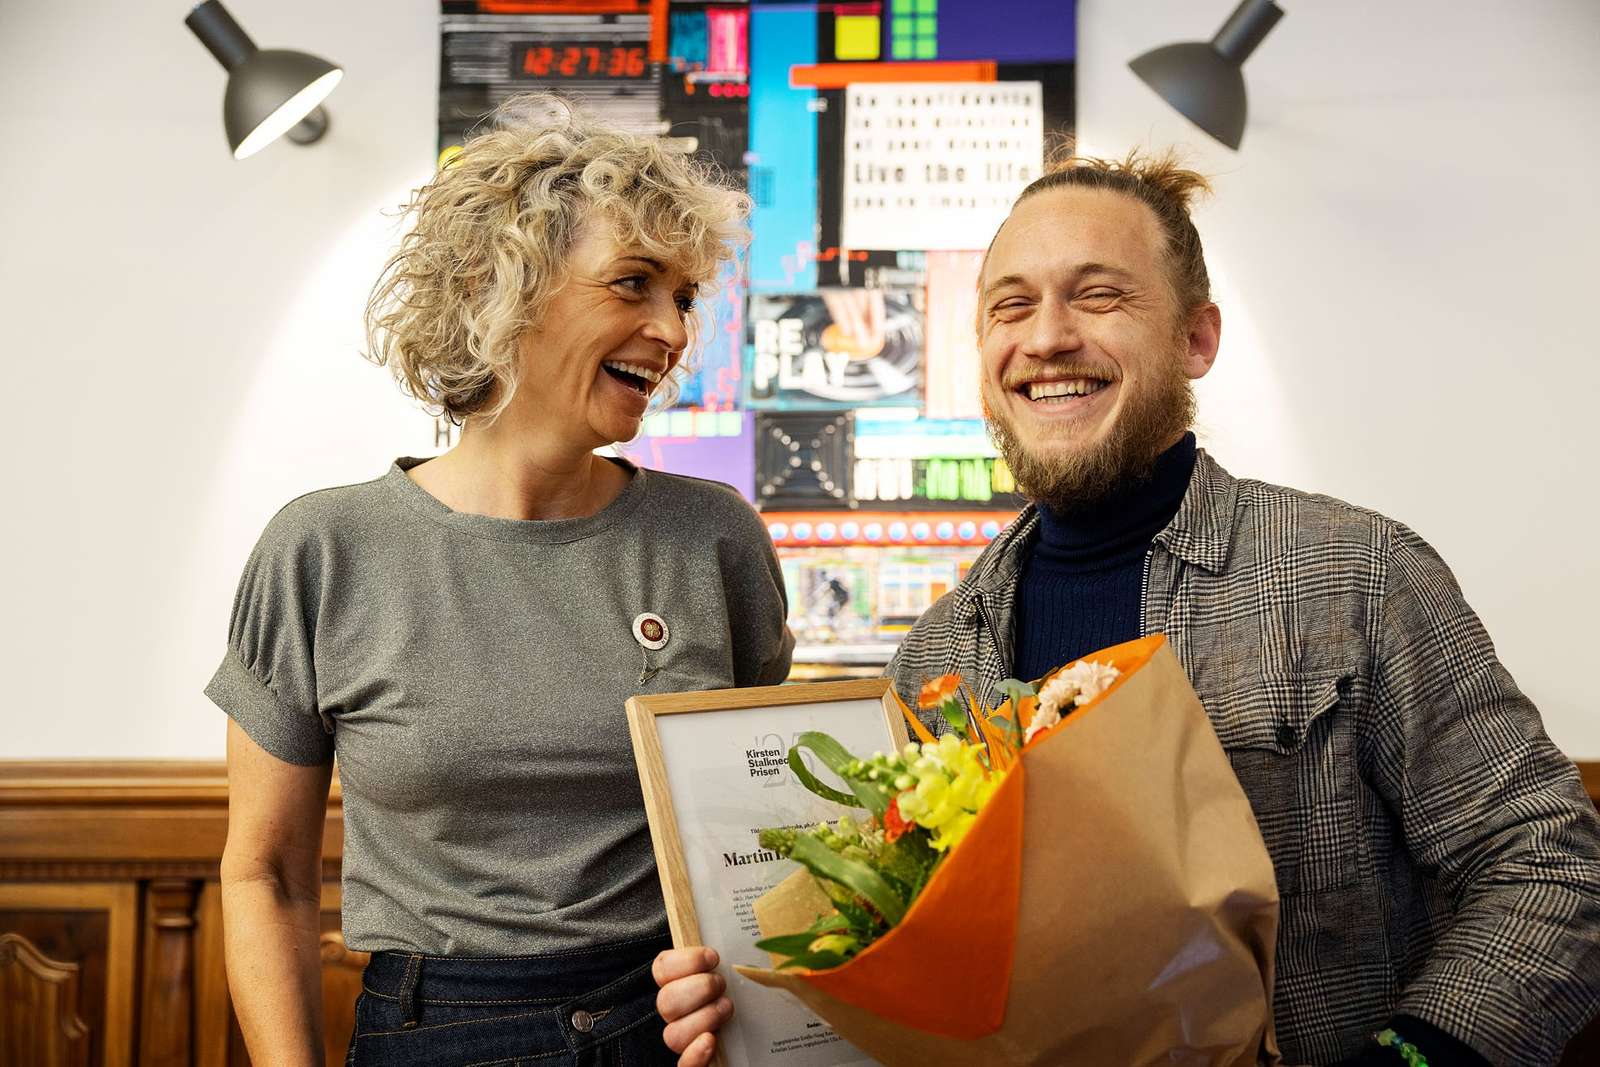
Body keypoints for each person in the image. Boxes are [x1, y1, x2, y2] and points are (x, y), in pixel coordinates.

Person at [653, 152, 1600, 1066]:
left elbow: (1549, 862)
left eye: (1098, 295)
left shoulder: (1356, 574)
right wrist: (750, 1011)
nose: (1047, 337)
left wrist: (1410, 1059)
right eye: (1011, 305)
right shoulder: (938, 656)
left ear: (1196, 339)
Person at [208, 94, 790, 1067]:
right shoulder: (324, 547)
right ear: (501, 286)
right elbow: (265, 872)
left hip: (673, 1026)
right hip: (437, 1028)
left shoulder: (714, 538)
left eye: (684, 297)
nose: (671, 329)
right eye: (633, 282)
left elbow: (758, 840)